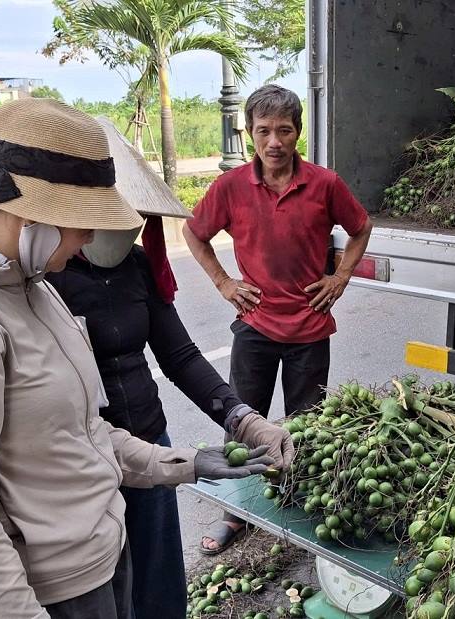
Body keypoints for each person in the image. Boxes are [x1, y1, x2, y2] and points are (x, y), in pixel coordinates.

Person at [0, 99, 272, 619]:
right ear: (26, 215)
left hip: (90, 568)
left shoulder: (31, 289)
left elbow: (80, 434)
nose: (88, 240)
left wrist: (183, 462)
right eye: (81, 224)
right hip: (36, 596)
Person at [45, 118, 294, 617]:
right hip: (85, 463)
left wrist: (244, 419)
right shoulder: (47, 275)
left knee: (159, 589)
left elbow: (180, 357)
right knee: (108, 594)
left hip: (151, 448)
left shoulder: (139, 267)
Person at [183, 84, 374, 554]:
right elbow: (194, 233)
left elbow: (361, 227)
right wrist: (225, 283)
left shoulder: (325, 184)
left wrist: (341, 277)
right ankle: (235, 512)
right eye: (263, 130)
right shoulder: (230, 188)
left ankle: (299, 504)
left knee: (308, 424)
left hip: (310, 326)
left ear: (297, 134)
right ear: (248, 133)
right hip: (256, 326)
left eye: (284, 131)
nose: (274, 141)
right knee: (241, 421)